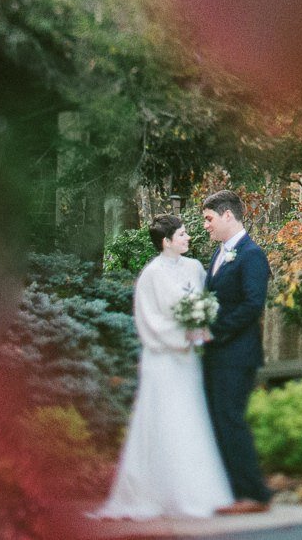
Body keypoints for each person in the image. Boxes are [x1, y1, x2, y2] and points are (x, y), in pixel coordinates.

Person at [93, 214, 235, 520]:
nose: (188, 238)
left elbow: (204, 304)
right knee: (164, 419)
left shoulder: (195, 268)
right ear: (166, 241)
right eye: (182, 234)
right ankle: (154, 493)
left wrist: (199, 329)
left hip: (187, 359)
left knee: (190, 418)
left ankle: (197, 491)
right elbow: (149, 319)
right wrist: (178, 337)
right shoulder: (151, 275)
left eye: (186, 233)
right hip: (162, 358)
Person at [200, 189, 273, 513]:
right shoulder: (218, 255)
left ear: (228, 215)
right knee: (219, 420)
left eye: (209, 219)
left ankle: (252, 495)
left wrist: (214, 330)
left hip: (237, 354)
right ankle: (233, 490)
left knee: (231, 420)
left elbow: (253, 304)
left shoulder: (251, 254)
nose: (206, 226)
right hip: (217, 354)